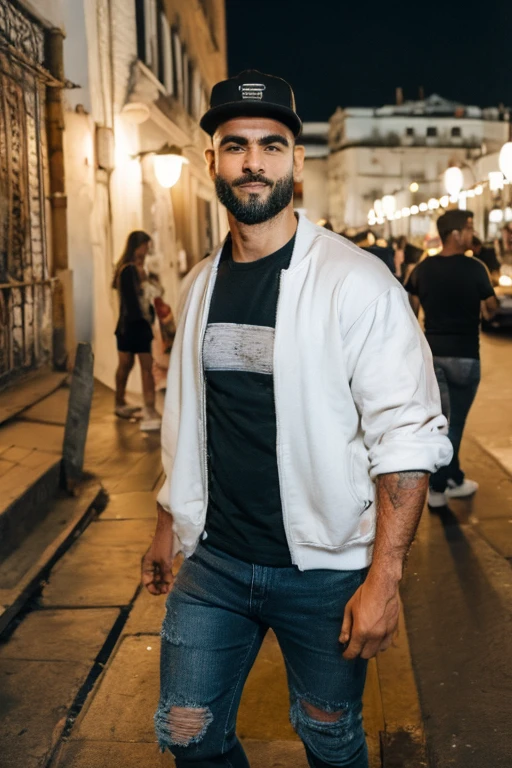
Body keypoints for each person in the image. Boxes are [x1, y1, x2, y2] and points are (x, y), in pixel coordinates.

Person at [142, 70, 452, 768]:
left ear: (297, 161)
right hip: (214, 561)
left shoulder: (357, 282)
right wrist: (169, 523)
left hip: (326, 571)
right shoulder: (198, 284)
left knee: (331, 736)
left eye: (272, 145)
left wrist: (385, 579)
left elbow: (405, 439)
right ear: (212, 162)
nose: (254, 161)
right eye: (235, 145)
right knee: (186, 733)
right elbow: (189, 419)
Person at [405, 209, 498, 508]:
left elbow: (411, 310)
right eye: (469, 228)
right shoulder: (476, 268)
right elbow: (491, 309)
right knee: (454, 424)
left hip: (432, 356)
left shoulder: (422, 268)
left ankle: (454, 476)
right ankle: (438, 486)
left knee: (441, 421)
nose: (473, 233)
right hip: (465, 356)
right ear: (456, 234)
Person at [113, 231, 161, 431]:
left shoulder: (132, 269)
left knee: (130, 365)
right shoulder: (129, 270)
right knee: (141, 366)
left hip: (128, 325)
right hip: (134, 325)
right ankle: (146, 408)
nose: (147, 250)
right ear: (137, 246)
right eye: (145, 246)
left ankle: (121, 402)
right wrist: (147, 319)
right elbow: (135, 301)